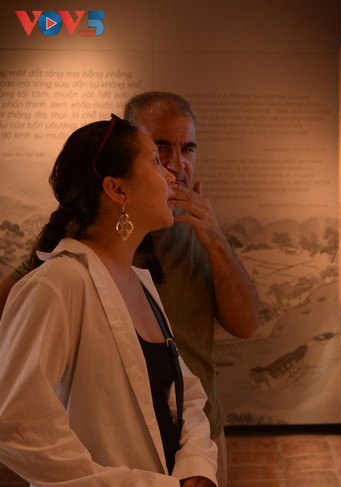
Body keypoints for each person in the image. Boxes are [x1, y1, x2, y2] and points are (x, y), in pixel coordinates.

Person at [0, 92, 260, 486]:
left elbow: (188, 385)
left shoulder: (139, 279)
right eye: (158, 155)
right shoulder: (62, 277)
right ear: (116, 189)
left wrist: (194, 462)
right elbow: (16, 416)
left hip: (188, 457)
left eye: (187, 148)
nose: (175, 169)